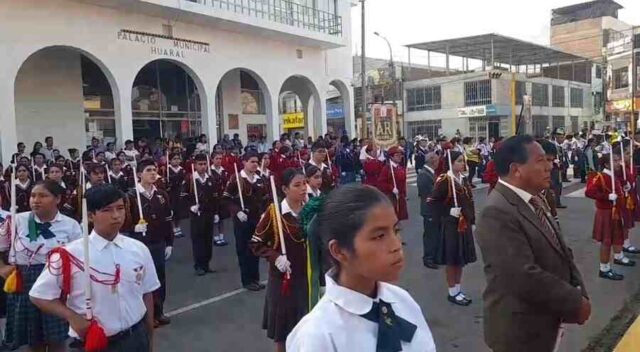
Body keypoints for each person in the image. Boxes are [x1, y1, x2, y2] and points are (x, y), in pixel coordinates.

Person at [286, 185, 436, 352]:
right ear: (339, 251)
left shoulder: (402, 300)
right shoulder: (316, 335)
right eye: (379, 236)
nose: (396, 245)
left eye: (396, 230)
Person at [476, 135, 589, 352]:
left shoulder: (534, 198)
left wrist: (579, 290)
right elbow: (522, 276)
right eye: (540, 161)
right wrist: (574, 302)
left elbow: (561, 250)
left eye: (548, 160)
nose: (550, 167)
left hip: (545, 323)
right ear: (516, 169)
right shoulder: (497, 212)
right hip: (521, 333)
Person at [30, 184, 159, 352]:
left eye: (120, 208)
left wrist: (149, 336)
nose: (116, 216)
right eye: (107, 210)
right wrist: (72, 317)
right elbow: (39, 295)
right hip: (96, 342)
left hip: (136, 336)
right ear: (90, 216)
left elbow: (146, 293)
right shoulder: (70, 255)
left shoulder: (138, 249)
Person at [3, 180, 82, 351]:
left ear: (58, 199)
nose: (36, 200)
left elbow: (79, 258)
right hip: (25, 281)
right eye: (33, 196)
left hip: (56, 283)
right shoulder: (17, 221)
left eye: (43, 196)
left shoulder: (71, 225)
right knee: (33, 338)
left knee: (57, 338)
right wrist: (2, 268)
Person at [250, 168, 308, 352]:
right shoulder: (274, 212)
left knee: (307, 330)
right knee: (282, 333)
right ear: (284, 189)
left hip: (306, 278)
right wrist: (275, 258)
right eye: (297, 185)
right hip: (283, 281)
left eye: (304, 184)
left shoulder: (310, 209)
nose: (303, 189)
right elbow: (255, 243)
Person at [125, 159, 173, 328]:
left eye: (154, 170)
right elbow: (124, 223)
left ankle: (159, 311)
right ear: (139, 174)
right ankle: (145, 315)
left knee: (159, 278)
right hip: (139, 244)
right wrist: (134, 227)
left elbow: (168, 220)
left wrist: (169, 242)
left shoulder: (161, 195)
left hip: (158, 243)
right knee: (141, 280)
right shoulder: (130, 196)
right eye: (148, 170)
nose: (153, 173)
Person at [429, 150, 477, 306]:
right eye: (459, 161)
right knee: (452, 259)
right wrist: (447, 211)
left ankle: (458, 289)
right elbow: (432, 202)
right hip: (451, 225)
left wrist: (473, 220)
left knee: (460, 259)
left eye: (463, 161)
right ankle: (452, 292)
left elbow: (470, 202)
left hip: (464, 225)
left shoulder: (463, 179)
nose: (463, 164)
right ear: (451, 163)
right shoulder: (445, 180)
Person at [586, 151, 634, 280]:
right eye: (615, 161)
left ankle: (618, 257)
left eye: (618, 160)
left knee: (616, 237)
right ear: (607, 164)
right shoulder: (601, 176)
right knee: (606, 241)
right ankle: (604, 268)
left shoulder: (615, 176)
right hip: (606, 213)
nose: (619, 163)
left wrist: (624, 189)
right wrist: (606, 196)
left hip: (616, 212)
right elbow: (589, 192)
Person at [224, 151, 268, 291]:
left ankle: (255, 278)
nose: (255, 164)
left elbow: (266, 199)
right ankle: (247, 280)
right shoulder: (236, 179)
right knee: (244, 250)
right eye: (252, 161)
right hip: (242, 221)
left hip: (257, 220)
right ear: (244, 162)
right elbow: (226, 198)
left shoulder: (260, 179)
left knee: (255, 249)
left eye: (256, 162)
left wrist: (265, 213)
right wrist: (237, 211)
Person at [188, 154, 219, 276]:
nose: (203, 167)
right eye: (200, 164)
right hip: (197, 215)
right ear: (195, 165)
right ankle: (198, 265)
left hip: (208, 213)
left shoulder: (210, 179)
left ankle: (206, 264)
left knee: (208, 239)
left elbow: (215, 197)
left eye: (204, 164)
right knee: (198, 240)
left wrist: (216, 212)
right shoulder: (190, 179)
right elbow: (183, 197)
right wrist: (191, 207)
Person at [417, 152, 439, 270]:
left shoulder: (430, 173)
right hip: (429, 209)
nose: (438, 162)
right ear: (432, 160)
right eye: (437, 160)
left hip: (433, 209)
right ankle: (428, 258)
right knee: (430, 235)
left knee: (435, 233)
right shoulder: (424, 174)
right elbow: (429, 193)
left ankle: (434, 256)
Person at [377, 146, 408, 222]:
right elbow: (381, 183)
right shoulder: (387, 169)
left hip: (400, 197)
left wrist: (404, 193)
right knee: (392, 218)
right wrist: (391, 188)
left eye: (400, 155)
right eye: (397, 155)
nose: (400, 157)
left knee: (399, 218)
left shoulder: (400, 168)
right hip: (391, 197)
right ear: (391, 157)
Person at [210, 152, 230, 247]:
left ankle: (221, 236)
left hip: (221, 197)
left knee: (221, 218)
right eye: (217, 158)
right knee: (214, 218)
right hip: (212, 198)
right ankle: (215, 237)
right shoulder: (209, 171)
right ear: (212, 159)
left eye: (220, 158)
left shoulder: (224, 171)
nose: (219, 160)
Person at [167, 153, 186, 237]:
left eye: (178, 158)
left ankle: (178, 227)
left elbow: (184, 181)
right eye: (174, 159)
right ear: (170, 160)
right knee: (171, 211)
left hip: (178, 192)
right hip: (170, 193)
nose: (176, 160)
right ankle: (173, 228)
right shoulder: (166, 169)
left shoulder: (181, 170)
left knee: (178, 211)